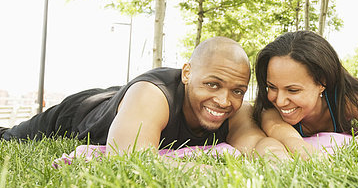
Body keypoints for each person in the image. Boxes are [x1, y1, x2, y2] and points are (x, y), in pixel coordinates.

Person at [1, 37, 282, 163]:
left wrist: (280, 161)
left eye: (237, 90)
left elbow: (257, 145)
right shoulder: (153, 94)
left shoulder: (234, 109)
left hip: (120, 98)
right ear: (187, 73)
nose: (224, 100)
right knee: (8, 139)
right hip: (81, 111)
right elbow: (131, 160)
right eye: (212, 84)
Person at [253, 30, 358, 159]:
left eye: (293, 90)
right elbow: (289, 139)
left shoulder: (346, 97)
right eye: (272, 87)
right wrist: (317, 158)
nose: (280, 101)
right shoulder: (269, 109)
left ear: (322, 82)